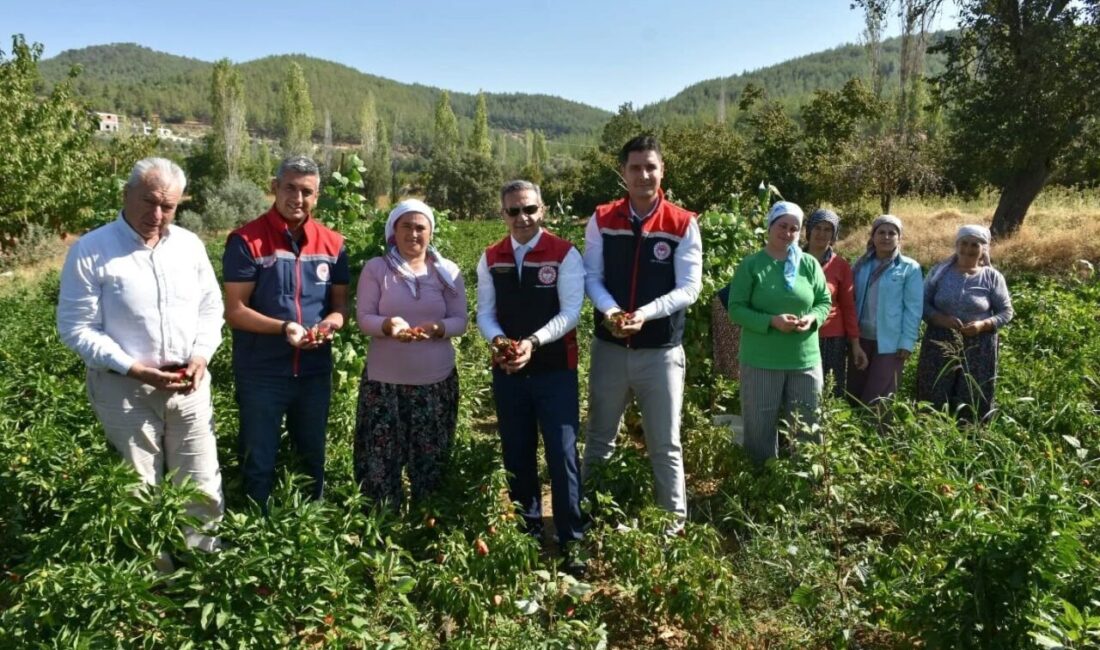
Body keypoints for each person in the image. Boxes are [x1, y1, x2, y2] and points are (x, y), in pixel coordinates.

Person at [57, 157, 224, 556]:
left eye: (169, 206)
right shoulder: (92, 250)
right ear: (126, 194)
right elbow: (76, 327)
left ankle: (202, 572)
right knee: (139, 487)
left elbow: (210, 307)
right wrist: (135, 368)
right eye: (149, 201)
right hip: (125, 390)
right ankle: (151, 587)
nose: (157, 214)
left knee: (201, 483)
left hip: (189, 386)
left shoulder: (189, 246)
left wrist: (201, 355)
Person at [582, 135, 702, 527]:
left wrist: (644, 314)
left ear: (661, 170)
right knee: (600, 437)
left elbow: (689, 287)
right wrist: (614, 311)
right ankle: (592, 514)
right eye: (635, 167)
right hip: (611, 349)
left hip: (661, 351)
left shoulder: (682, 223)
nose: (643, 175)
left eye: (651, 166)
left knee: (665, 443)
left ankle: (672, 525)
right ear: (623, 173)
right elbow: (591, 277)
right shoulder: (602, 219)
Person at [222, 156, 349, 509]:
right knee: (258, 458)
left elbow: (340, 307)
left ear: (317, 196)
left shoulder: (333, 244)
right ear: (274, 187)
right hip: (262, 371)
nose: (298, 197)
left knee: (312, 457)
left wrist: (329, 325)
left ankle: (310, 534)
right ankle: (255, 536)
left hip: (313, 371)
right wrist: (284, 327)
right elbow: (235, 311)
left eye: (307, 191)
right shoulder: (247, 241)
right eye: (290, 187)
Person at [476, 180, 585, 562]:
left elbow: (570, 312)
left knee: (562, 452)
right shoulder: (491, 257)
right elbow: (485, 313)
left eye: (529, 210)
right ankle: (529, 535)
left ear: (543, 210)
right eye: (513, 211)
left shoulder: (564, 254)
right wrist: (499, 342)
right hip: (509, 370)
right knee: (517, 453)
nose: (522, 218)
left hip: (555, 369)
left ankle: (572, 538)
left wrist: (532, 343)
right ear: (502, 214)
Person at [354, 199, 467, 508]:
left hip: (435, 383)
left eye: (421, 227)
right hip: (383, 384)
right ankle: (382, 523)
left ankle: (426, 521)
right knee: (380, 459)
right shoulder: (377, 269)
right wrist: (389, 325)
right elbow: (364, 317)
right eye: (407, 226)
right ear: (394, 230)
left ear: (430, 232)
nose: (413, 234)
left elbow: (461, 321)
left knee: (431, 458)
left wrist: (437, 328)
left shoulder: (447, 271)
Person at [726, 201, 832, 464]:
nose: (788, 232)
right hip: (761, 359)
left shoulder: (808, 264)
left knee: (809, 423)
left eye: (794, 228)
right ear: (770, 226)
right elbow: (736, 309)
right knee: (760, 425)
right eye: (782, 226)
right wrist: (771, 321)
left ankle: (804, 483)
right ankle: (761, 483)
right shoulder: (752, 265)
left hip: (804, 360)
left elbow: (823, 302)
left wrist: (812, 318)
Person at [917, 225, 1014, 421]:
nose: (968, 249)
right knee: (934, 388)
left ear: (983, 249)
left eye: (974, 245)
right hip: (939, 341)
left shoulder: (991, 277)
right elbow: (921, 303)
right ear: (957, 244)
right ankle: (929, 429)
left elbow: (1006, 312)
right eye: (964, 243)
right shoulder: (940, 272)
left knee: (972, 391)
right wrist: (940, 319)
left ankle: (970, 435)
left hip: (979, 345)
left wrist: (982, 325)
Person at [848, 215, 923, 404]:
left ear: (899, 238)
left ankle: (877, 432)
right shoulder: (861, 264)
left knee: (878, 396)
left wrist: (907, 342)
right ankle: (853, 433)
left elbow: (913, 308)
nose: (886, 237)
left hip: (890, 342)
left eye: (892, 233)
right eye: (881, 232)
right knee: (854, 391)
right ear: (873, 236)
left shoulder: (909, 268)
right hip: (860, 339)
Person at [804, 208, 868, 397]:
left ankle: (828, 426)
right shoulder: (792, 259)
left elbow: (848, 307)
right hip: (798, 334)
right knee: (800, 386)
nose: (821, 233)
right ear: (808, 230)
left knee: (830, 389)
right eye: (817, 227)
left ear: (834, 235)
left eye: (827, 229)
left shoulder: (840, 266)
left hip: (831, 337)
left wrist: (855, 344)